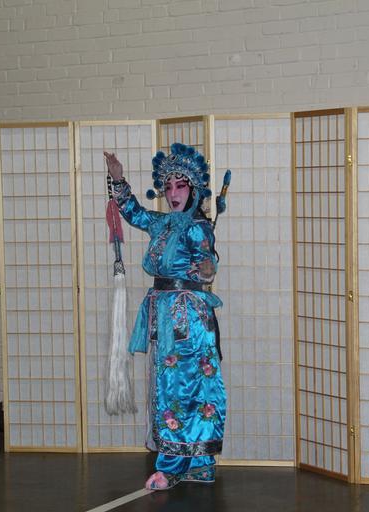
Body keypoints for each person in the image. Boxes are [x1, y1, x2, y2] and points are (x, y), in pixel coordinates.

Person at [104, 143, 227, 491]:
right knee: (179, 387)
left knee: (181, 388)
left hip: (187, 318)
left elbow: (208, 261)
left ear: (194, 189)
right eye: (168, 186)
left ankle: (172, 467)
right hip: (166, 313)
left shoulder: (198, 227)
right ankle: (198, 464)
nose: (173, 193)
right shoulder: (161, 223)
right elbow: (133, 212)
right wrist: (118, 180)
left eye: (181, 186)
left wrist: (207, 267)